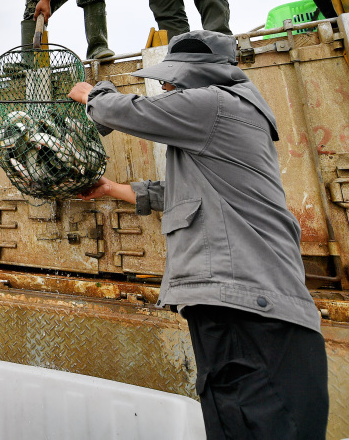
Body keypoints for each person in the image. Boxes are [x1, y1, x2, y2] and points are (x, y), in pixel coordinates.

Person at [68, 30, 328, 439]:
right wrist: (113, 189)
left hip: (247, 308)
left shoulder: (217, 105)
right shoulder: (231, 116)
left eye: (173, 79)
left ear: (202, 77)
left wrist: (94, 93)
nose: (168, 86)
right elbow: (193, 195)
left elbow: (132, 112)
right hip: (250, 309)